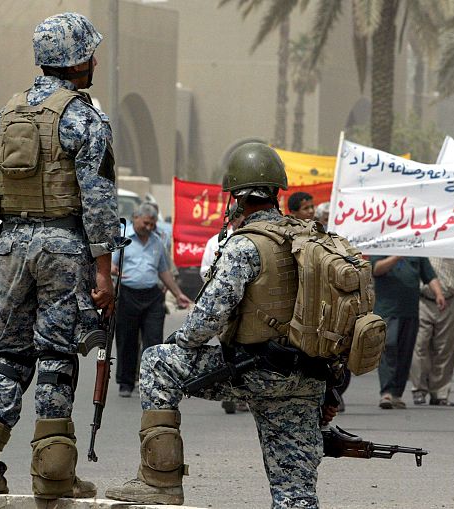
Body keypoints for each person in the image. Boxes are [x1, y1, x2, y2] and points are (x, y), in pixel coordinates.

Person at [106, 142, 339, 506]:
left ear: (238, 198)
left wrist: (182, 340)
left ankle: (160, 481)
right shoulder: (311, 239)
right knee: (295, 494)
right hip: (310, 377)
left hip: (257, 370)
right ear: (276, 193)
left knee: (156, 362)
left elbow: (206, 319)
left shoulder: (245, 245)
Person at [0, 12, 117, 499]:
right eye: (89, 54)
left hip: (11, 246)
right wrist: (104, 272)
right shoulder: (84, 118)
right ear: (75, 61)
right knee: (56, 354)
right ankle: (53, 473)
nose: (94, 62)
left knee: (11, 356)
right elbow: (98, 201)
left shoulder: (5, 115)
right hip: (63, 249)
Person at [112, 203, 191, 398]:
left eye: (152, 225)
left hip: (152, 296)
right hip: (127, 295)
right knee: (127, 340)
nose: (148, 227)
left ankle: (152, 381)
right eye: (146, 223)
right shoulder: (122, 239)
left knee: (154, 341)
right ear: (135, 218)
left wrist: (178, 293)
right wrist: (117, 272)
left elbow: (163, 271)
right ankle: (126, 382)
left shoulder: (157, 242)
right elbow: (109, 265)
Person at [371, 256, 446, 409]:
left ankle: (397, 394)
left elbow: (430, 276)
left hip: (410, 312)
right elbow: (376, 269)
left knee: (405, 353)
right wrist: (397, 256)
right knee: (388, 347)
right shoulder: (383, 247)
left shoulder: (416, 252)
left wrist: (438, 294)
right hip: (387, 311)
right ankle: (386, 392)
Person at [200, 203, 247, 414]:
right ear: (233, 220)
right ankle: (232, 392)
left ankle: (241, 394)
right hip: (226, 306)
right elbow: (204, 270)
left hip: (249, 308)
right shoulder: (216, 242)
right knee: (228, 349)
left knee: (246, 350)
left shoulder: (254, 240)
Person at [410, 258, 454, 406]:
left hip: (450, 301)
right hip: (424, 300)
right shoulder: (426, 250)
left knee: (446, 349)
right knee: (420, 345)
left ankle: (440, 392)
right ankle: (419, 389)